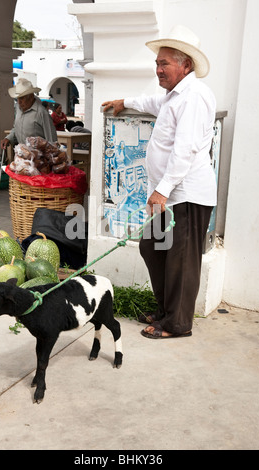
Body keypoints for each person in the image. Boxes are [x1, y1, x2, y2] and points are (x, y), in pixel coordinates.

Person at [102, 25, 216, 339]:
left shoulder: (194, 96)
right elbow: (154, 103)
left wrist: (161, 189)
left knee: (180, 258)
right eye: (157, 63)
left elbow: (186, 148)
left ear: (186, 65)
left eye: (165, 63)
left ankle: (178, 324)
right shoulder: (173, 96)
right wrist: (125, 101)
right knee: (153, 247)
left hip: (186, 194)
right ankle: (167, 311)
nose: (158, 69)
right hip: (169, 194)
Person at [1, 78, 57, 150]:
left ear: (31, 97)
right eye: (17, 98)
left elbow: (52, 140)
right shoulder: (18, 109)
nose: (19, 102)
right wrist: (8, 138)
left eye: (22, 98)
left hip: (39, 158)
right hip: (22, 155)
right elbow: (16, 128)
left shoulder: (41, 113)